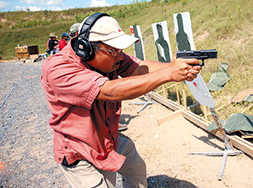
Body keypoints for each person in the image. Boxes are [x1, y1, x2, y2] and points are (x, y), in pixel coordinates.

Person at [41, 12, 201, 188]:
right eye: (114, 50)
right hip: (81, 151)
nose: (120, 55)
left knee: (135, 168)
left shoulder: (109, 56)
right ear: (85, 48)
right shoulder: (59, 68)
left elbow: (138, 68)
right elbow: (110, 91)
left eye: (120, 50)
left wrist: (177, 68)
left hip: (107, 139)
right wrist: (169, 73)